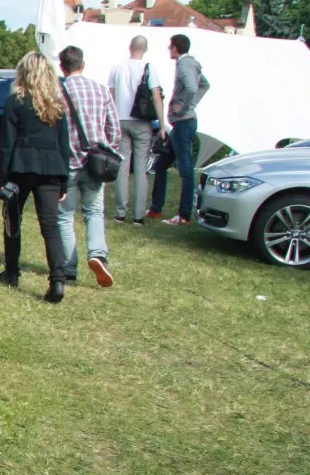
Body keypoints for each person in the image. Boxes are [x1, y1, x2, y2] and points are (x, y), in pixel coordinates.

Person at [0, 51, 72, 303]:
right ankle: (57, 280)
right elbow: (64, 144)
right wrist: (64, 180)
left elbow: (7, 144)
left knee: (12, 221)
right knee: (50, 226)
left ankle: (12, 272)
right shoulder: (56, 105)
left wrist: (3, 179)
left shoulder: (15, 102)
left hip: (20, 167)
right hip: (51, 169)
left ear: (23, 73)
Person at [57, 46, 121, 287]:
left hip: (68, 162)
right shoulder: (101, 90)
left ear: (62, 67)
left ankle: (68, 268)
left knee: (64, 216)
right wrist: (106, 149)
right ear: (83, 64)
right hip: (95, 162)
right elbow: (114, 129)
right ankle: (97, 253)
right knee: (94, 211)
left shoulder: (59, 92)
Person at [150, 33, 210, 225]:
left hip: (184, 123)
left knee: (185, 170)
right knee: (161, 164)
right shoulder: (192, 64)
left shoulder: (184, 65)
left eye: (170, 46)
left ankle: (184, 215)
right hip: (182, 124)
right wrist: (192, 104)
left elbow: (192, 88)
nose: (169, 50)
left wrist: (183, 106)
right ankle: (155, 209)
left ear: (175, 47)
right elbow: (204, 85)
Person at [107, 35, 166, 225]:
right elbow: (156, 97)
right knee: (141, 169)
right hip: (141, 122)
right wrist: (163, 125)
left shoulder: (117, 68)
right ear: (145, 49)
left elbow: (111, 94)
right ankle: (138, 215)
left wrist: (111, 119)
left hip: (121, 120)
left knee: (122, 167)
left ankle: (120, 212)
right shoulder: (149, 68)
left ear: (129, 47)